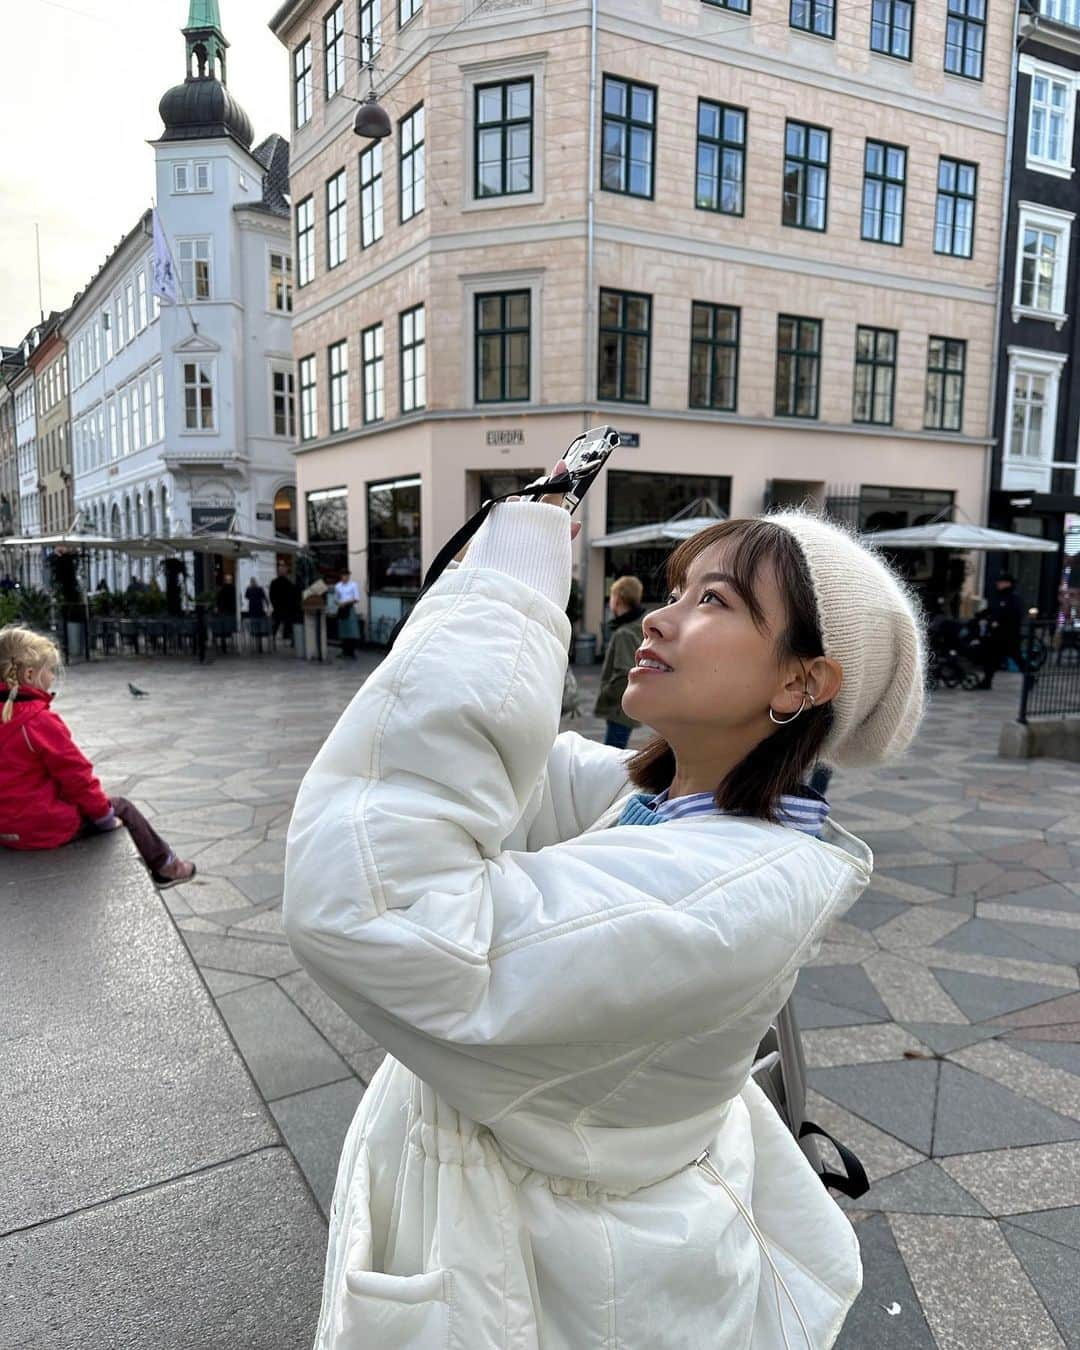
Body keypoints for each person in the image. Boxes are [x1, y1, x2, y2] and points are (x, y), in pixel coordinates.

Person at [283, 464, 924, 1349]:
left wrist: (511, 590)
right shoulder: (665, 803)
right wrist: (493, 587)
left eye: (717, 601)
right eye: (677, 591)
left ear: (799, 685)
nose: (659, 617)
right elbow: (474, 771)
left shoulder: (719, 890)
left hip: (547, 1290)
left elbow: (378, 897)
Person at [0, 625, 195, 887]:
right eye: (50, 670)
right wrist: (103, 816)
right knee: (122, 806)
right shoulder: (38, 721)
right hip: (41, 830)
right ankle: (167, 866)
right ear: (30, 674)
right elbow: (77, 778)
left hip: (5, 830)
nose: (52, 677)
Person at [594, 574, 646, 748]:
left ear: (618, 600)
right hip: (626, 708)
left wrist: (605, 694)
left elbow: (624, 673)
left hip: (618, 709)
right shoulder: (638, 626)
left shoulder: (624, 632)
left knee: (612, 753)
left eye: (612, 596)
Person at [976, 573, 1026, 689]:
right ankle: (987, 681)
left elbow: (1014, 615)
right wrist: (981, 615)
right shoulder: (997, 597)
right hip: (996, 635)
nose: (998, 584)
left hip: (1009, 635)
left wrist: (1000, 622)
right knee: (990, 658)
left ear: (1007, 584)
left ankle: (1030, 678)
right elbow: (991, 610)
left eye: (1001, 582)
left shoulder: (1013, 598)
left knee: (1016, 657)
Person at [269, 561, 299, 646]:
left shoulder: (280, 582)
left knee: (280, 624)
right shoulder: (286, 583)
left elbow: (271, 595)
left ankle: (277, 639)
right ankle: (281, 638)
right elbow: (272, 595)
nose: (282, 571)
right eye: (281, 570)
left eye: (283, 569)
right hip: (283, 607)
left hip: (282, 608)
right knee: (281, 623)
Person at [333, 568, 360, 660]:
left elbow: (356, 598)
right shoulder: (338, 586)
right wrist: (338, 603)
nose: (345, 577)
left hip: (349, 608)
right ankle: (344, 651)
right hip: (341, 609)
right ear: (341, 576)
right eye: (344, 575)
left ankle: (351, 652)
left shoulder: (353, 585)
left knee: (352, 631)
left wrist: (346, 602)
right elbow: (336, 598)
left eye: (347, 575)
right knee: (343, 630)